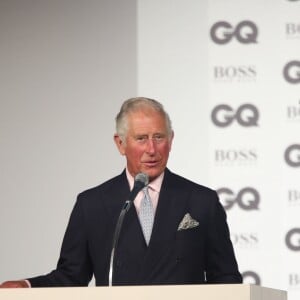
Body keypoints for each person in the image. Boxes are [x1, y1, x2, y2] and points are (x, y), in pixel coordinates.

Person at [0, 97, 242, 288]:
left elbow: (227, 278)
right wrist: (27, 286)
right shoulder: (92, 204)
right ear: (120, 143)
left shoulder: (202, 201)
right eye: (141, 138)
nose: (151, 149)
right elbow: (71, 277)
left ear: (171, 140)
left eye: (159, 137)